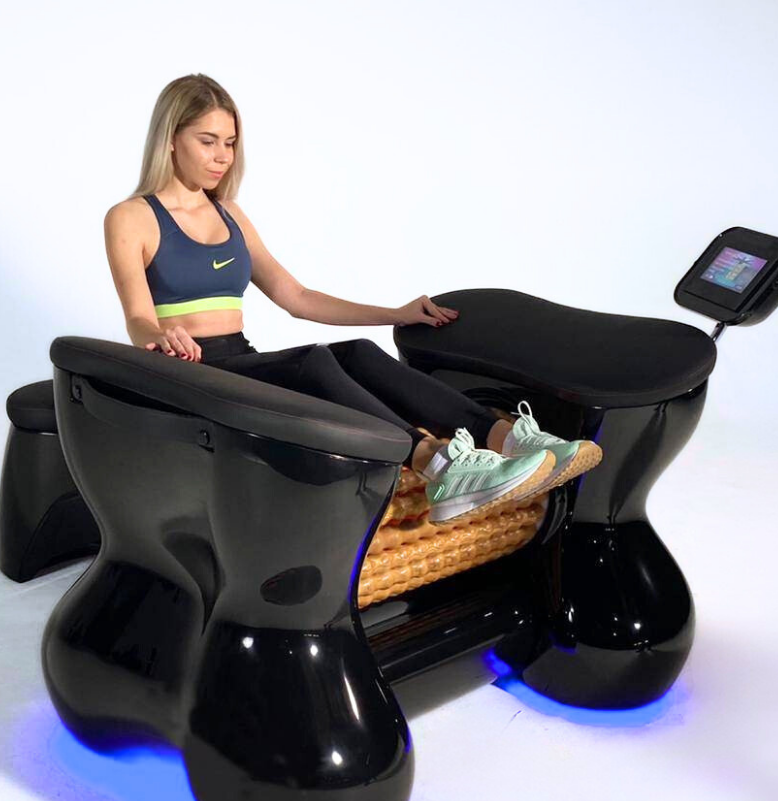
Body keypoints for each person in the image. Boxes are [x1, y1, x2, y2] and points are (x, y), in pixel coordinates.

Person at [104, 73, 602, 525]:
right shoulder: (131, 217)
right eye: (208, 141)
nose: (222, 157)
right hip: (188, 376)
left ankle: (506, 438)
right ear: (171, 139)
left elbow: (297, 297)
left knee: (358, 353)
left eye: (230, 143)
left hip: (241, 363)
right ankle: (439, 465)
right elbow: (137, 319)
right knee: (311, 364)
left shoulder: (229, 214)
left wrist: (395, 314)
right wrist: (161, 335)